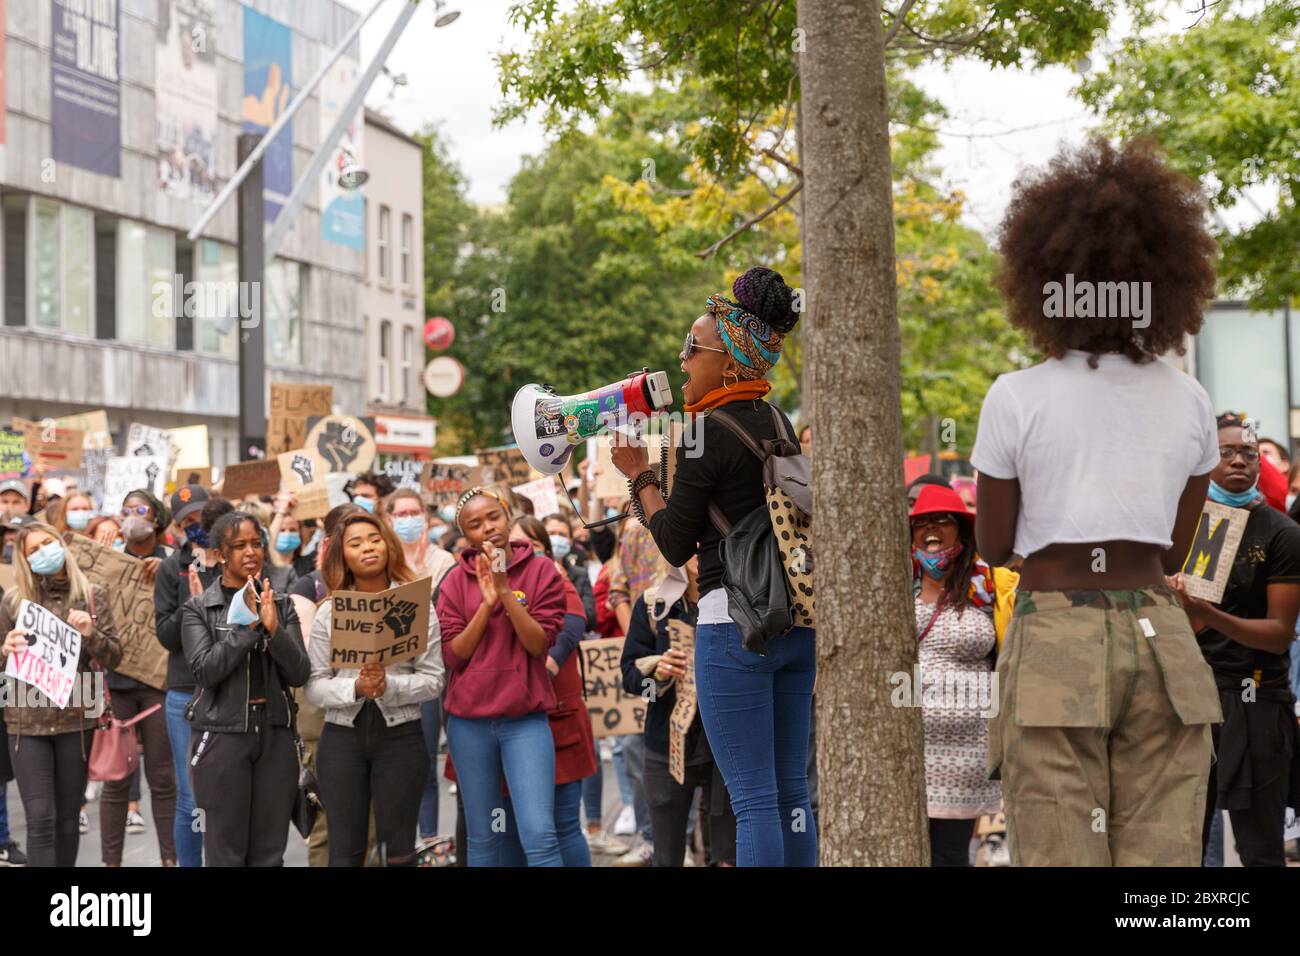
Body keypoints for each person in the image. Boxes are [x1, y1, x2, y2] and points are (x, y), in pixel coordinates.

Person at [973, 137, 1222, 867]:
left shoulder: (1016, 397)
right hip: (1162, 636)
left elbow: (991, 546)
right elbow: (1176, 552)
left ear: (1043, 278)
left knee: (1060, 847)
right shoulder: (1191, 398)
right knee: (1162, 862)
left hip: (1056, 631)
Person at [611, 265, 814, 867]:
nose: (681, 361)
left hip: (732, 626)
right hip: (793, 621)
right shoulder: (777, 422)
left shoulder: (702, 432)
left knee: (752, 802)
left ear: (727, 359)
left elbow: (674, 545)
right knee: (789, 794)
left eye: (691, 348)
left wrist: (640, 475)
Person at [1170, 413, 1300, 867]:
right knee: (1182, 843)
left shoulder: (1280, 532)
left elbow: (1278, 634)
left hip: (1257, 699)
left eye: (1249, 452)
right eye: (1226, 452)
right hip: (1189, 701)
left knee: (1260, 848)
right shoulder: (1187, 525)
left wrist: (1205, 612)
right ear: (1205, 460)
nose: (1239, 461)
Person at [436, 488, 567, 866]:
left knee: (539, 834)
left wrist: (506, 592)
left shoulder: (542, 571)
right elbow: (453, 656)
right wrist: (486, 605)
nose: (487, 528)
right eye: (474, 525)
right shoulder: (454, 582)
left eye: (493, 516)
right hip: (469, 726)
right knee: (485, 834)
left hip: (525, 723)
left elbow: (537, 644)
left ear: (507, 515)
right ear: (465, 535)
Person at [305, 510, 445, 866]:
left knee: (399, 850)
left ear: (388, 545)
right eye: (355, 543)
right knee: (347, 849)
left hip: (401, 737)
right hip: (342, 740)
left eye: (374, 539)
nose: (368, 547)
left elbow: (434, 680)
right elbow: (315, 688)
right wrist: (356, 687)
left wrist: (389, 687)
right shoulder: (329, 613)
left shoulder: (417, 606)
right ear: (343, 558)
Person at [181, 511, 310, 866]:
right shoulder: (199, 608)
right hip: (222, 735)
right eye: (239, 546)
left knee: (270, 853)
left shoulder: (281, 604)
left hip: (275, 733)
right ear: (220, 554)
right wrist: (247, 628)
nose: (250, 552)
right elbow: (205, 671)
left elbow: (300, 672)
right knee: (225, 852)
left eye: (256, 543)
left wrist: (273, 630)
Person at [0, 521, 122, 866]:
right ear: (24, 561)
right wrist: (4, 650)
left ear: (61, 544)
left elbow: (115, 656)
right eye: (33, 550)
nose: (43, 552)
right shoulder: (13, 602)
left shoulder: (92, 595)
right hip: (26, 723)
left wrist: (91, 634)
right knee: (40, 819)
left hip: (76, 723)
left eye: (47, 543)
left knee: (68, 821)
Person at [619, 556, 736, 866]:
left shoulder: (741, 599)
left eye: (705, 536)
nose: (699, 548)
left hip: (727, 748)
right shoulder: (653, 604)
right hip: (666, 747)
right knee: (667, 854)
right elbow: (631, 683)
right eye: (690, 538)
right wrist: (657, 676)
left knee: (728, 857)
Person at [908, 484, 1002, 866]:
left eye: (942, 520)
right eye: (922, 522)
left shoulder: (991, 590)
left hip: (969, 757)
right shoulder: (896, 590)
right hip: (912, 755)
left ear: (961, 533)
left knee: (950, 854)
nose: (932, 528)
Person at [495, 516, 596, 866]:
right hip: (507, 722)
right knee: (506, 829)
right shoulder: (491, 585)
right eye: (515, 544)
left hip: (557, 719)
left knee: (563, 825)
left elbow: (571, 627)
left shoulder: (556, 579)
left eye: (531, 545)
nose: (523, 552)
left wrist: (539, 669)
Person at [97, 488, 178, 867]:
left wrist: (170, 573)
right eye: (125, 509)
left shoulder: (175, 562)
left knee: (163, 779)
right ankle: (111, 863)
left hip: (161, 685)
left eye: (140, 509)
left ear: (157, 519)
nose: (132, 516)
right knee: (114, 781)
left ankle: (170, 860)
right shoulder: (108, 562)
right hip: (115, 684)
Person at [288, 502, 363, 867]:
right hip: (321, 712)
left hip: (370, 706)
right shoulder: (308, 585)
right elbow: (307, 651)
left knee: (371, 818)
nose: (364, 547)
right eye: (352, 539)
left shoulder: (378, 581)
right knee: (326, 820)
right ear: (331, 542)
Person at [381, 488, 456, 844]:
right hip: (387, 674)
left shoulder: (443, 561)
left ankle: (427, 840)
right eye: (402, 513)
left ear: (425, 518)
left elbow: (439, 617)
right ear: (389, 519)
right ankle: (395, 842)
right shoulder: (379, 559)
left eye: (415, 513)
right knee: (389, 766)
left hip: (426, 673)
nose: (409, 519)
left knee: (422, 761)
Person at [153, 486, 221, 868]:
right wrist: (191, 604)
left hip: (231, 689)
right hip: (185, 693)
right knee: (191, 797)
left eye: (202, 516)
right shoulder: (171, 568)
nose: (197, 526)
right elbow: (165, 634)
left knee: (228, 793)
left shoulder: (235, 559)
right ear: (178, 527)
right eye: (188, 522)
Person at [543, 512, 596, 629]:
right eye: (551, 534)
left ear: (570, 540)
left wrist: (566, 585)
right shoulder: (532, 571)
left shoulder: (580, 574)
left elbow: (590, 619)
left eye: (562, 535)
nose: (556, 538)